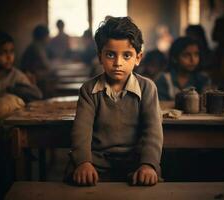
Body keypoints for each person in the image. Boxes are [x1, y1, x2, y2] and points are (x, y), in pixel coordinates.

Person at [63, 17, 163, 186]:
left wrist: (148, 164)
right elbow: (81, 130)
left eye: (127, 55)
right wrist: (83, 162)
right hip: (97, 161)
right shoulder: (89, 90)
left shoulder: (147, 88)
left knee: (149, 180)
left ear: (138, 58)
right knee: (75, 179)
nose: (118, 63)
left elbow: (153, 130)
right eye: (110, 55)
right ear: (100, 57)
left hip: (135, 161)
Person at [0, 30, 42, 199]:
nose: (9, 57)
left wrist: (11, 90)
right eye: (2, 53)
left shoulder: (16, 75)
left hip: (6, 132)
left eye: (11, 52)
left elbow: (36, 94)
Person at [156, 36, 211, 100]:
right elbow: (160, 104)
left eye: (196, 54)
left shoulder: (202, 79)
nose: (193, 60)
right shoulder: (165, 79)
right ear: (174, 58)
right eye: (186, 55)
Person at [20, 25, 55, 97]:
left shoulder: (36, 46)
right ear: (43, 37)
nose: (49, 38)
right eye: (48, 36)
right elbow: (47, 66)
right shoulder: (36, 47)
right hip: (32, 79)